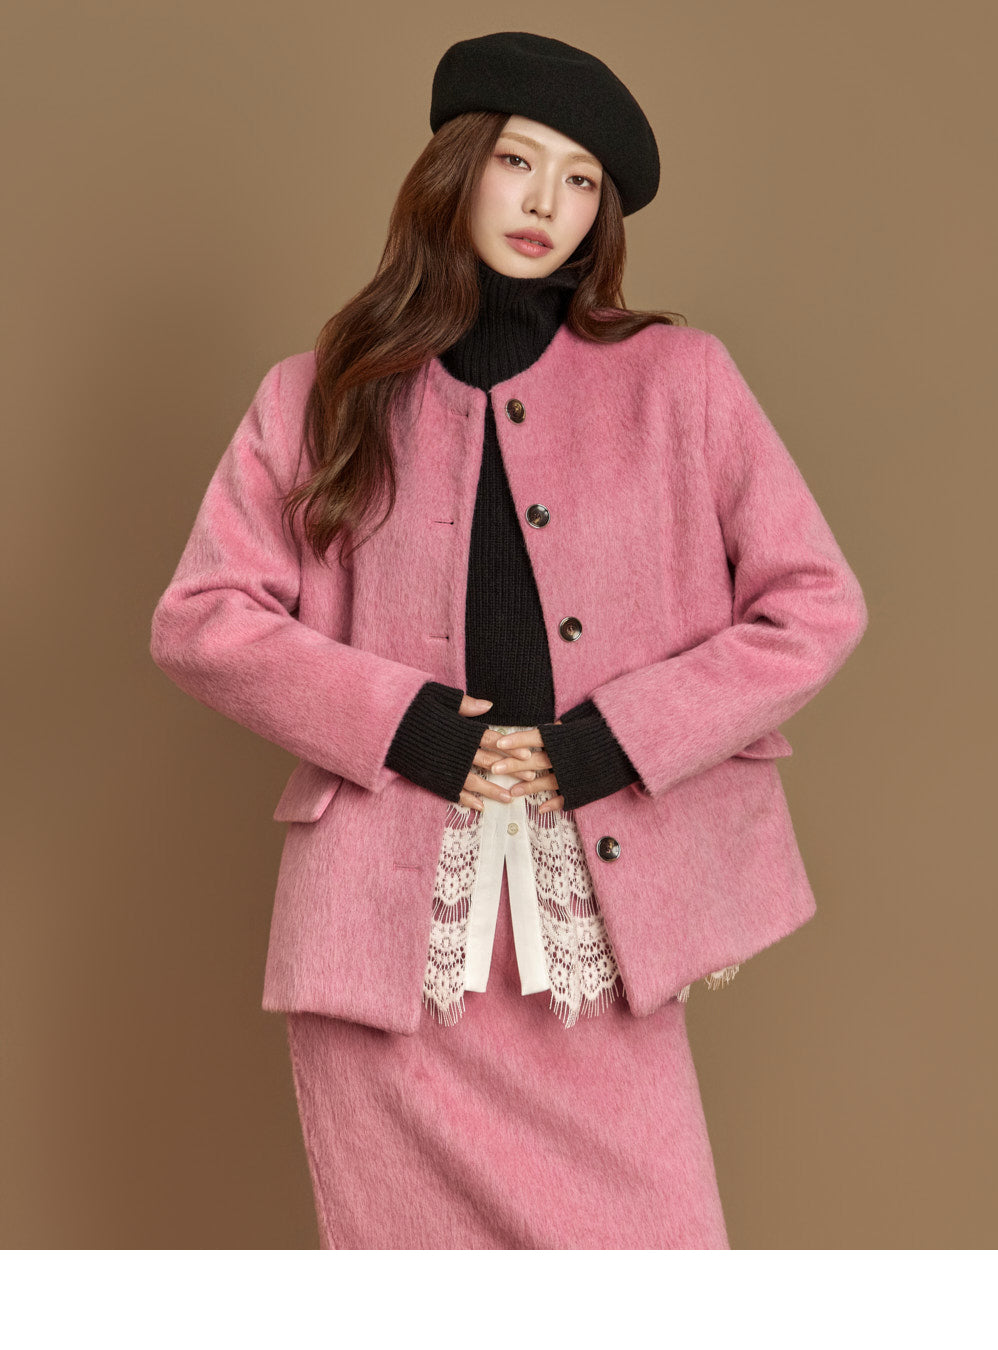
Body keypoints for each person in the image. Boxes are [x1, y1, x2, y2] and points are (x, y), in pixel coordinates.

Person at [150, 31, 868, 1249]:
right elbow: (201, 618)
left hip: (599, 905)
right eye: (519, 162)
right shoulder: (317, 394)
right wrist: (407, 729)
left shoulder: (680, 382)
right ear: (457, 168)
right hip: (386, 939)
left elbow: (814, 602)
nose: (545, 203)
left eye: (579, 180)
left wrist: (612, 743)